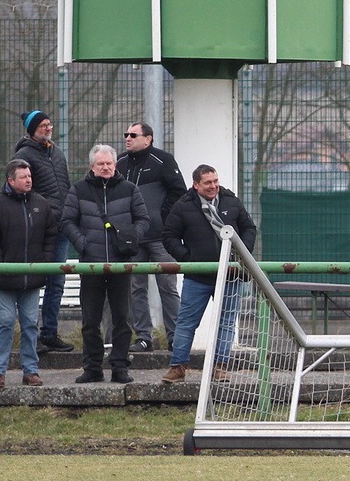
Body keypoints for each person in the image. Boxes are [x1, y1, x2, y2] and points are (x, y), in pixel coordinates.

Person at [60, 144, 150, 384]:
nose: (106, 167)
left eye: (109, 163)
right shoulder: (78, 190)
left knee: (123, 318)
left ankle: (120, 366)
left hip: (122, 264)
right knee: (90, 320)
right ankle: (92, 367)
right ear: (92, 166)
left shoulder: (130, 190)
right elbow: (67, 221)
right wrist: (84, 244)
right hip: (91, 265)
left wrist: (132, 237)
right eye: (101, 164)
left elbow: (143, 219)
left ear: (115, 164)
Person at [161, 165, 258, 384]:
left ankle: (220, 368)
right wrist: (188, 260)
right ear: (196, 185)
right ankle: (178, 367)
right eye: (208, 182)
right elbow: (169, 236)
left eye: (216, 181)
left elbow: (249, 228)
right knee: (186, 322)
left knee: (226, 323)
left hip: (231, 274)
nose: (214, 186)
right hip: (198, 276)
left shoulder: (232, 202)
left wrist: (242, 253)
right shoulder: (182, 207)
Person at [0, 158, 60, 388]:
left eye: (30, 176)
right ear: (10, 180)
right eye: (24, 177)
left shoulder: (41, 204)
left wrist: (43, 262)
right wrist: (0, 264)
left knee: (30, 323)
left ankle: (31, 371)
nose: (28, 180)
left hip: (32, 279)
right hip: (6, 278)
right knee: (5, 321)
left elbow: (50, 235)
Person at [115, 121, 188, 351]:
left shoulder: (163, 160)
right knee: (136, 288)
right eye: (126, 134)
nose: (128, 138)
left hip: (160, 237)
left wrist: (163, 218)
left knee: (167, 286)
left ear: (148, 139)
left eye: (133, 135)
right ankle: (143, 338)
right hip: (134, 238)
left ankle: (176, 338)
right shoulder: (120, 163)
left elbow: (179, 192)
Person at [14, 110, 74, 353]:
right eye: (43, 125)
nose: (48, 128)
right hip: (38, 229)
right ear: (32, 130)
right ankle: (31, 336)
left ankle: (49, 333)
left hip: (61, 227)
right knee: (34, 281)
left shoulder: (56, 152)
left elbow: (65, 185)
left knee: (56, 282)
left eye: (49, 124)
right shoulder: (23, 155)